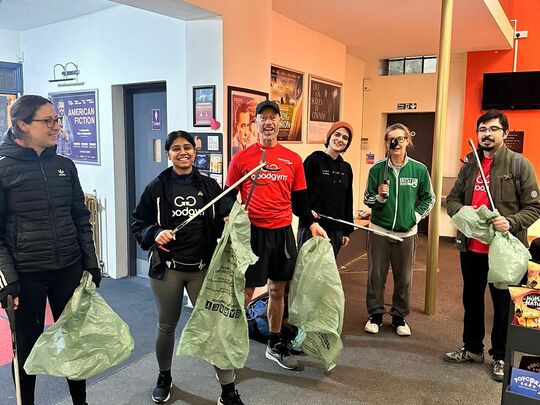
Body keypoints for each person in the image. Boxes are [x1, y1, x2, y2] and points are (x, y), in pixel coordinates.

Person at [0, 95, 101, 405]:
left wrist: (90, 261)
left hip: (67, 268)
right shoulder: (3, 168)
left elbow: (80, 217)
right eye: (48, 121)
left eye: (57, 120)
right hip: (26, 274)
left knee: (74, 341)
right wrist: (7, 278)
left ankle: (80, 402)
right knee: (27, 348)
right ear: (22, 125)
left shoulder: (64, 165)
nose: (57, 126)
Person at [131, 131, 242, 405]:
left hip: (202, 268)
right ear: (168, 153)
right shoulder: (156, 187)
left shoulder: (209, 185)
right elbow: (138, 224)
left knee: (213, 327)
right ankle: (164, 376)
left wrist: (231, 219)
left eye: (188, 147)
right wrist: (155, 232)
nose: (184, 152)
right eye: (177, 148)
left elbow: (223, 217)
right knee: (166, 326)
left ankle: (228, 391)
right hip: (167, 269)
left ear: (195, 151)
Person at [225, 100, 327, 370]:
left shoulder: (292, 159)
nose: (268, 122)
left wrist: (311, 223)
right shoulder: (242, 158)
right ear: (255, 123)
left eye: (273, 117)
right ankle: (232, 341)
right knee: (246, 291)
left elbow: (300, 199)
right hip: (253, 234)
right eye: (263, 117)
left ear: (279, 123)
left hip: (282, 233)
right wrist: (228, 221)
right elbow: (227, 197)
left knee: (277, 290)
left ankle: (274, 342)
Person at [443, 109, 540, 381]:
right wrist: (464, 214)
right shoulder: (470, 166)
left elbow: (534, 207)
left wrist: (511, 222)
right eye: (482, 129)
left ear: (505, 133)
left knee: (501, 306)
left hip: (504, 253)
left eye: (493, 129)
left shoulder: (520, 165)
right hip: (472, 249)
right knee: (471, 300)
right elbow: (452, 201)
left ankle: (500, 355)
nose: (487, 134)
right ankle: (473, 348)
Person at [363, 123, 435, 337]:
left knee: (404, 277)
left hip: (406, 234)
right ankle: (375, 315)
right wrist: (378, 197)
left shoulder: (419, 169)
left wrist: (414, 216)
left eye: (400, 139)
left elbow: (428, 198)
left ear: (407, 141)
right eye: (391, 139)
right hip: (379, 231)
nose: (395, 143)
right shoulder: (377, 169)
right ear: (386, 143)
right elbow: (367, 199)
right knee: (376, 275)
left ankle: (399, 317)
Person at [298, 121, 354, 257]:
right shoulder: (314, 160)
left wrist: (346, 231)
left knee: (326, 275)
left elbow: (348, 199)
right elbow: (300, 194)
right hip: (312, 227)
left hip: (336, 231)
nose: (340, 139)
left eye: (345, 138)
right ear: (329, 136)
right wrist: (308, 213)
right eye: (337, 135)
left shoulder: (346, 168)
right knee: (308, 273)